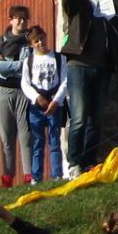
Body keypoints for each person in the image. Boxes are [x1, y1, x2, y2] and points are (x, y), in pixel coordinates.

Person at [60, 0, 118, 175]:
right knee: (79, 116)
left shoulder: (107, 6)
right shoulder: (77, 5)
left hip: (102, 69)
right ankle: (74, 163)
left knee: (96, 118)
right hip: (79, 67)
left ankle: (88, 161)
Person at [22, 22, 68, 182]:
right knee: (37, 142)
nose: (40, 43)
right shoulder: (28, 61)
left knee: (55, 140)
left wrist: (56, 101)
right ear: (31, 44)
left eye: (42, 39)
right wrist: (36, 97)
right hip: (36, 106)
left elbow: (64, 81)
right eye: (36, 41)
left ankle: (57, 175)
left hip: (55, 104)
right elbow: (25, 83)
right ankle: (36, 176)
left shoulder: (58, 58)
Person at [0, 7, 32, 189]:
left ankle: (29, 176)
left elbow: (30, 65)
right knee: (7, 137)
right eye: (18, 19)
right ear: (11, 20)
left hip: (23, 91)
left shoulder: (30, 40)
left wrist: (10, 64)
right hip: (3, 92)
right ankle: (8, 176)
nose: (21, 22)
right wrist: (19, 66)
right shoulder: (1, 41)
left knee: (25, 135)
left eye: (24, 19)